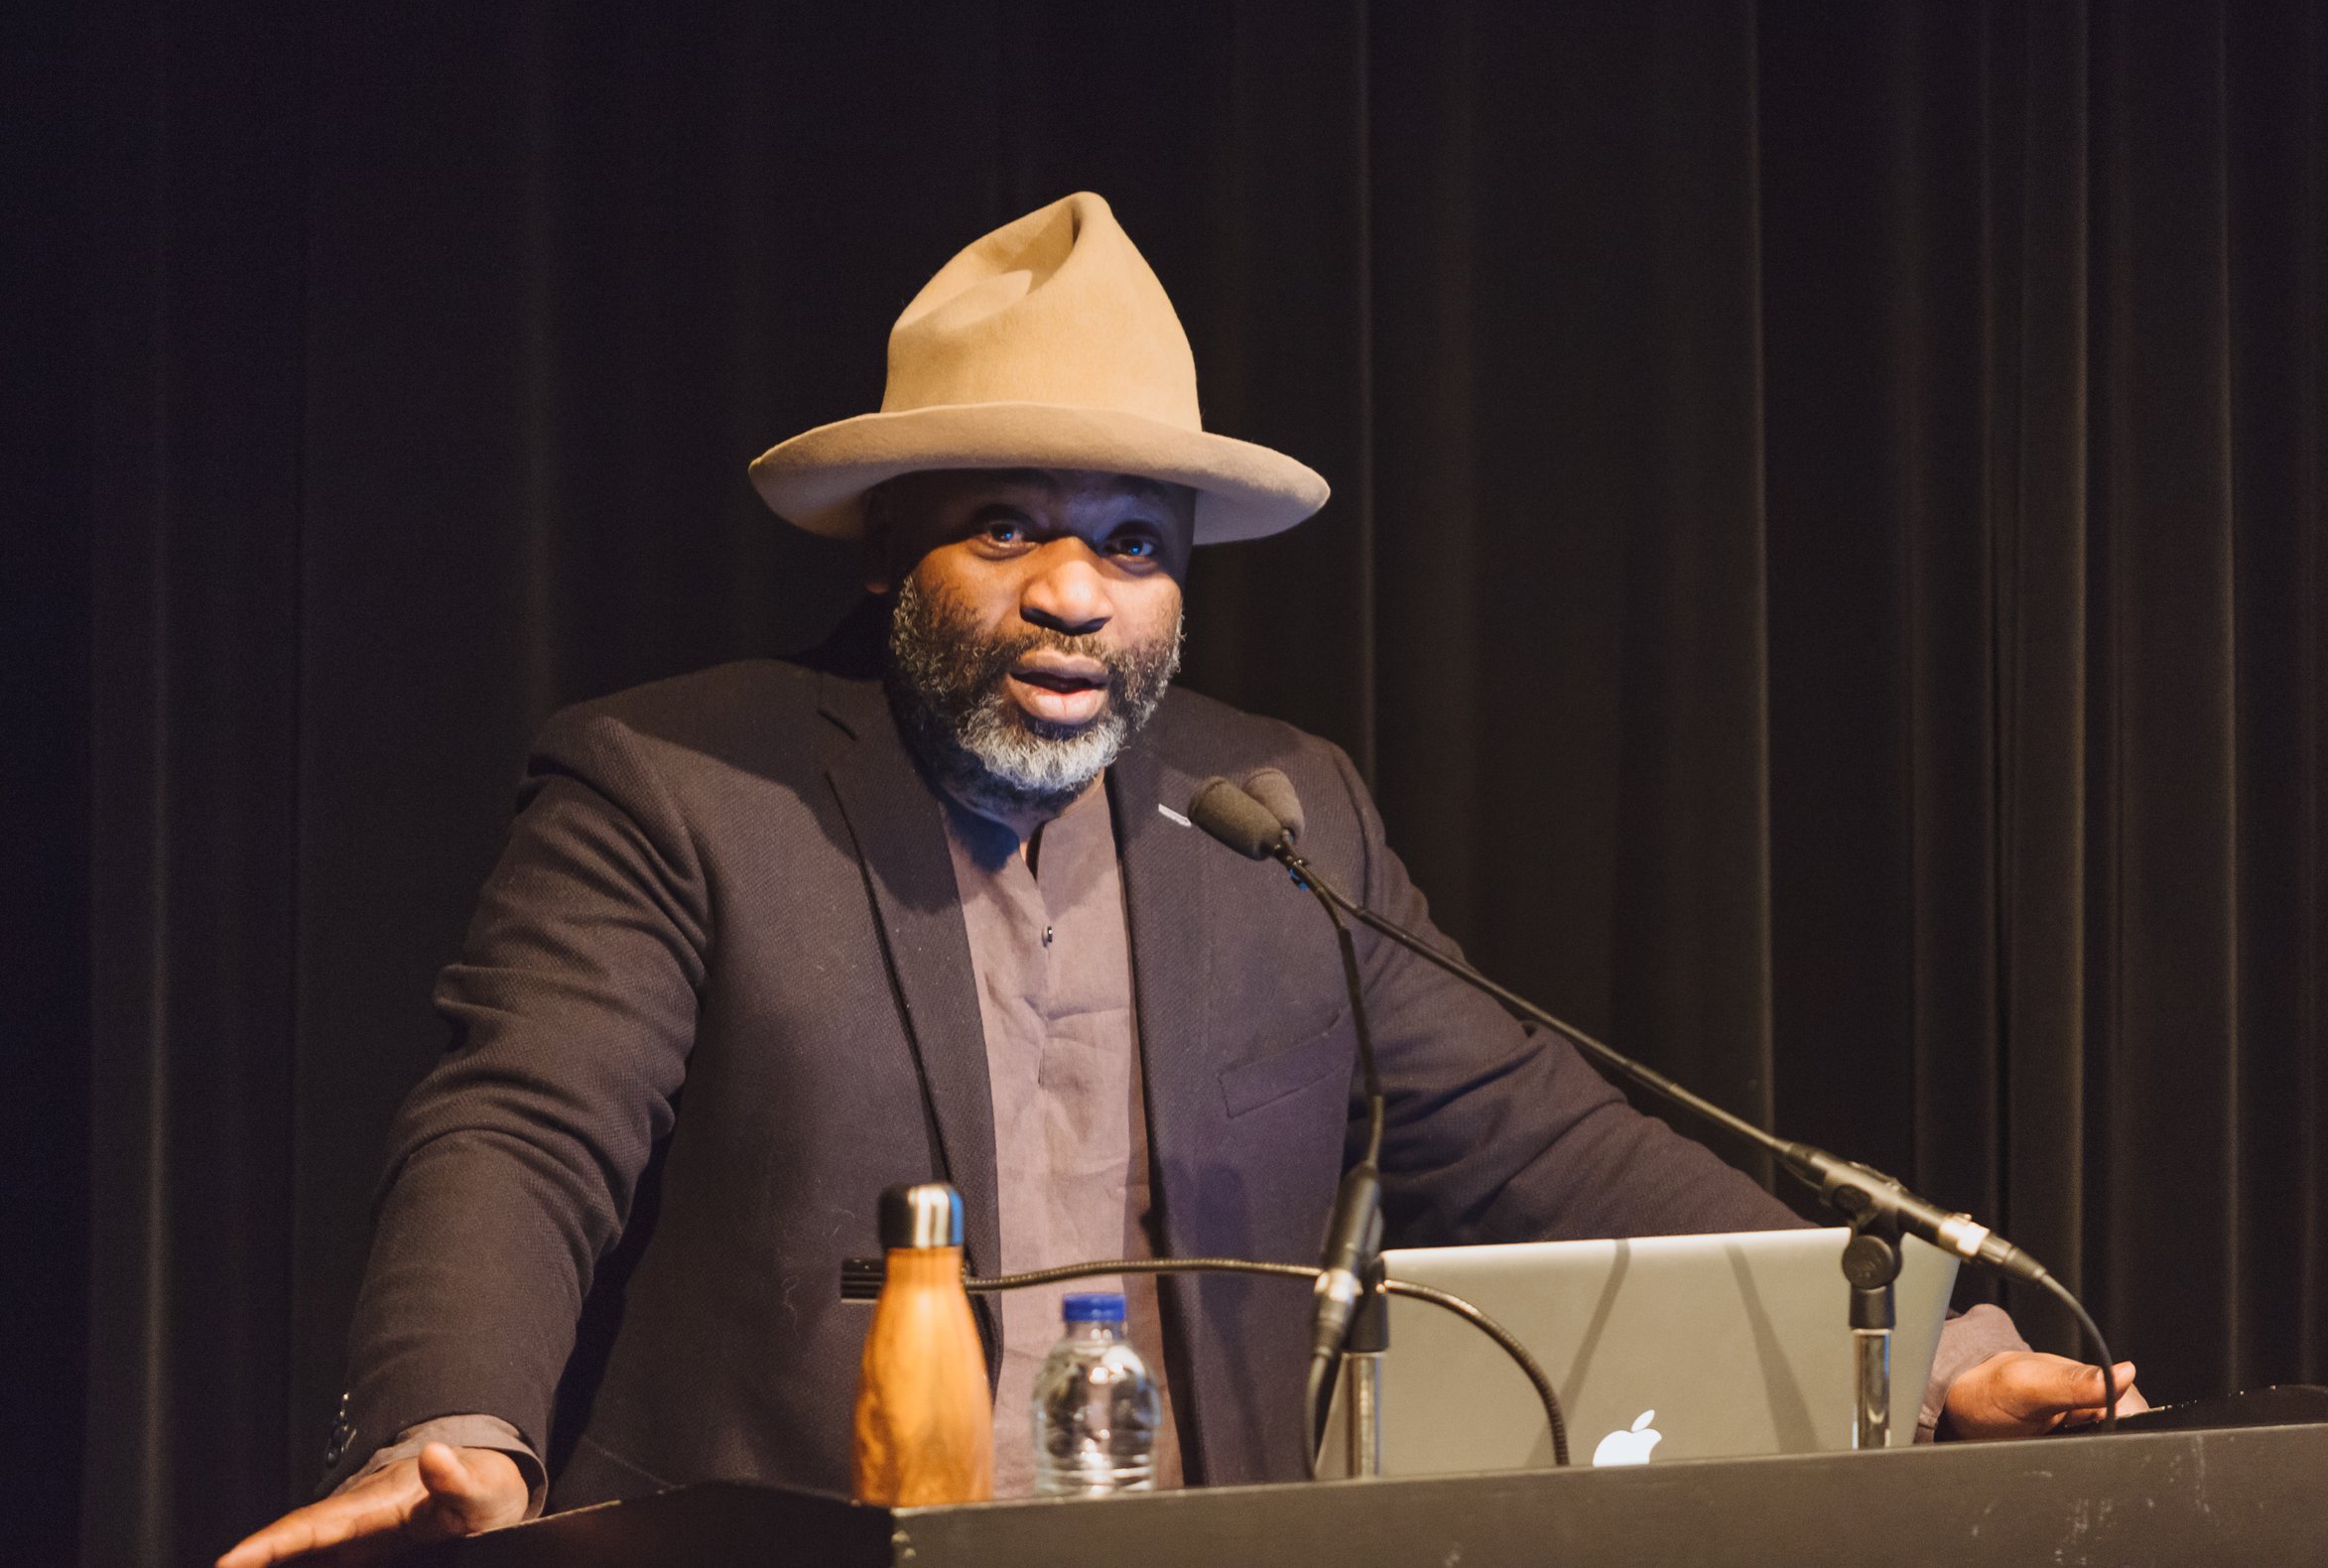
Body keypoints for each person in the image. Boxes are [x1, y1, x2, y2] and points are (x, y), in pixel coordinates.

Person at [221, 193, 2142, 1566]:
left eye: (1132, 541)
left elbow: (1543, 1137)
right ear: (896, 559)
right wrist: (451, 1425)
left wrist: (1928, 1360)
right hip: (792, 1539)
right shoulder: (679, 778)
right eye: (1006, 529)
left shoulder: (1270, 802)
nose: (1075, 590)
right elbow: (520, 1129)